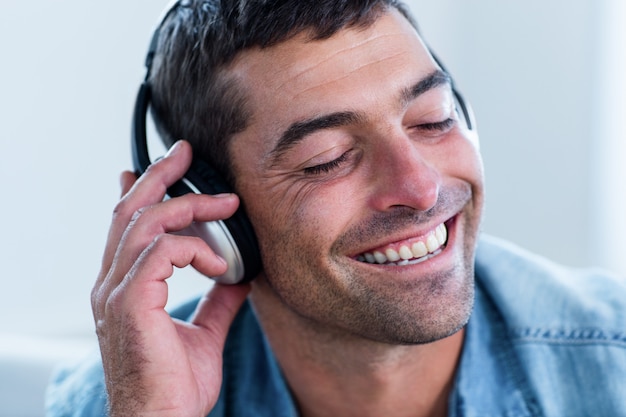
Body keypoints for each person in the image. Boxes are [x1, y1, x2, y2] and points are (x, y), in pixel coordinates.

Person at [46, 1, 626, 416]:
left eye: (433, 119)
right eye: (327, 159)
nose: (421, 189)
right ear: (210, 219)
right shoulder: (120, 402)